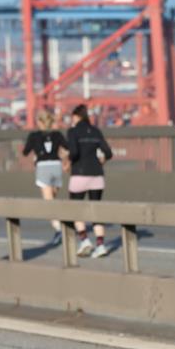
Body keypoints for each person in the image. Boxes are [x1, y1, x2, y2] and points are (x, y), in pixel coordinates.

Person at [66, 104, 113, 258]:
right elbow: (108, 152)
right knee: (96, 212)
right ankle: (101, 245)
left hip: (79, 173)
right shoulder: (96, 131)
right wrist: (101, 162)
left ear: (76, 117)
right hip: (97, 175)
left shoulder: (73, 132)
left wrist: (67, 160)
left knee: (75, 210)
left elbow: (73, 152)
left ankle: (85, 239)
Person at [23, 110, 68, 246]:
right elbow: (67, 148)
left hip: (43, 167)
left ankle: (59, 229)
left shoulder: (34, 135)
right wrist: (65, 159)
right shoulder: (57, 135)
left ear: (40, 122)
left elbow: (25, 152)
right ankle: (59, 223)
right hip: (57, 166)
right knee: (53, 199)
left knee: (48, 203)